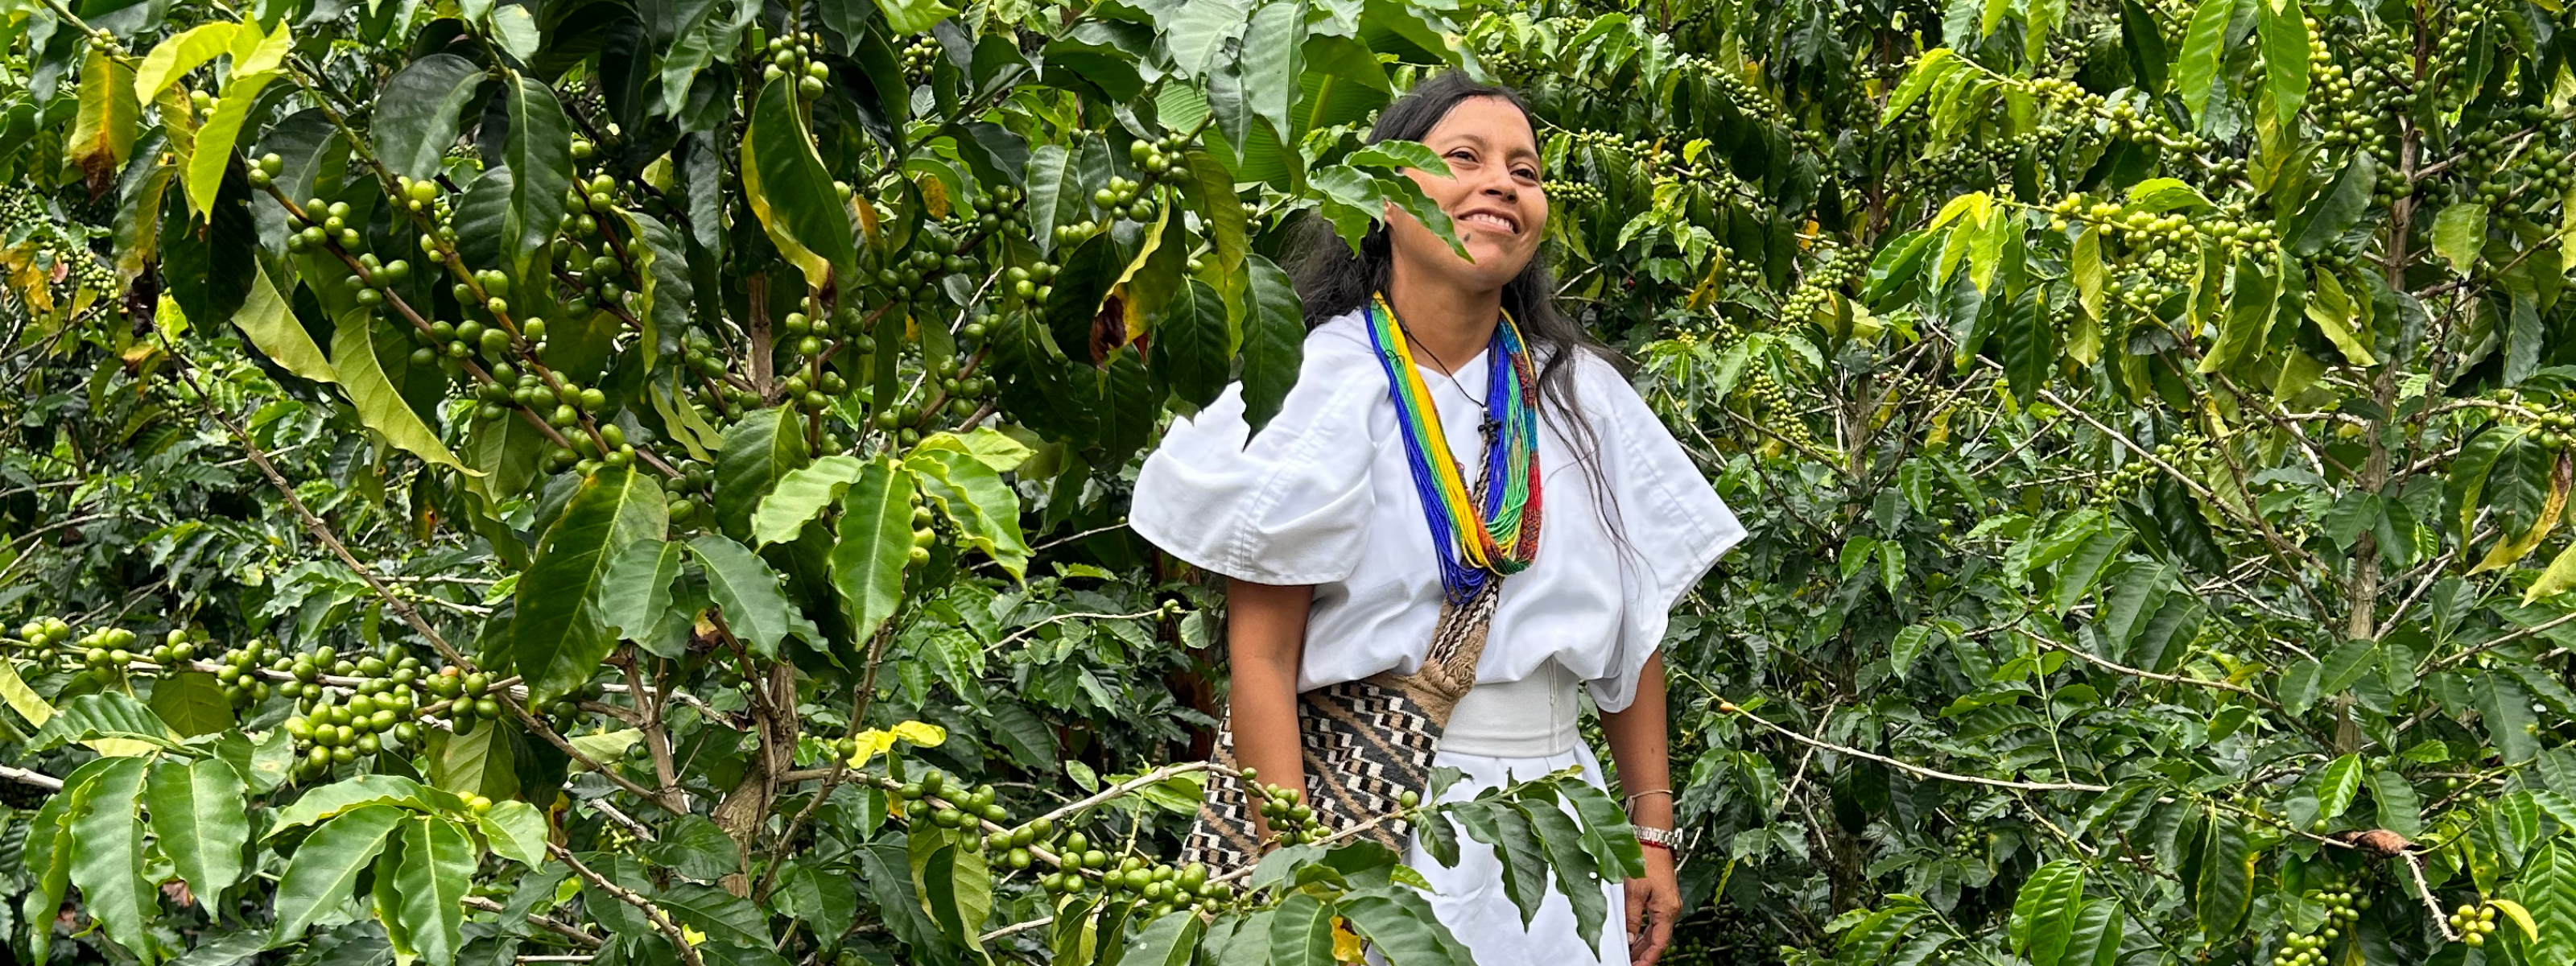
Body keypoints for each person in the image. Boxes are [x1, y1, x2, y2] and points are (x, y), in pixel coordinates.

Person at [1129, 73, 1743, 966]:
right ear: (1385, 196)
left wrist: (1649, 831)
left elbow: (1634, 631)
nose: (1501, 184)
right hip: (1373, 820)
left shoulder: (1580, 397)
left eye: (1524, 171)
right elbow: (1260, 661)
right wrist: (1304, 881)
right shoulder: (1315, 388)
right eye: (1463, 157)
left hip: (1557, 829)